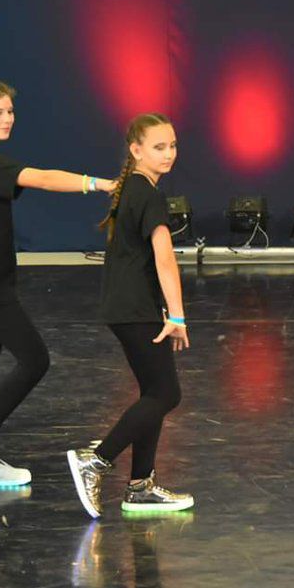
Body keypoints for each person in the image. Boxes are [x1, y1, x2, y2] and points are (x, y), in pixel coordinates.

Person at [0, 78, 115, 492]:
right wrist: (98, 184)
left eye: (9, 111)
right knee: (35, 360)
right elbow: (41, 178)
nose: (7, 119)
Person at [67, 112, 194, 517]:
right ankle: (96, 461)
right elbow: (164, 259)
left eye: (172, 145)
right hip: (135, 308)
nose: (168, 153)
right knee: (166, 394)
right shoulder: (148, 195)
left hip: (128, 306)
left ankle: (140, 486)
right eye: (159, 147)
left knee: (153, 393)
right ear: (136, 150)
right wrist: (177, 316)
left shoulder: (133, 188)